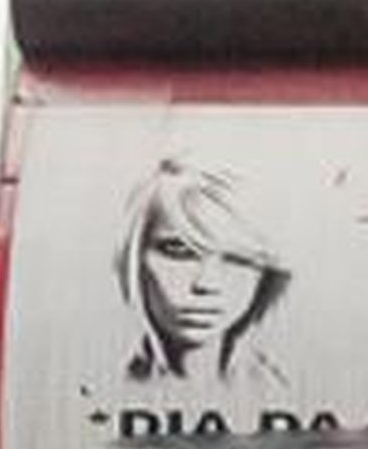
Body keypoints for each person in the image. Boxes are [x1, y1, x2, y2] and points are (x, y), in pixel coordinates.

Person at [112, 156, 295, 404]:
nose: (207, 284)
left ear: (266, 274)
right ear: (135, 259)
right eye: (178, 250)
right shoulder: (102, 390)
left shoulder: (283, 392)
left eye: (238, 258)